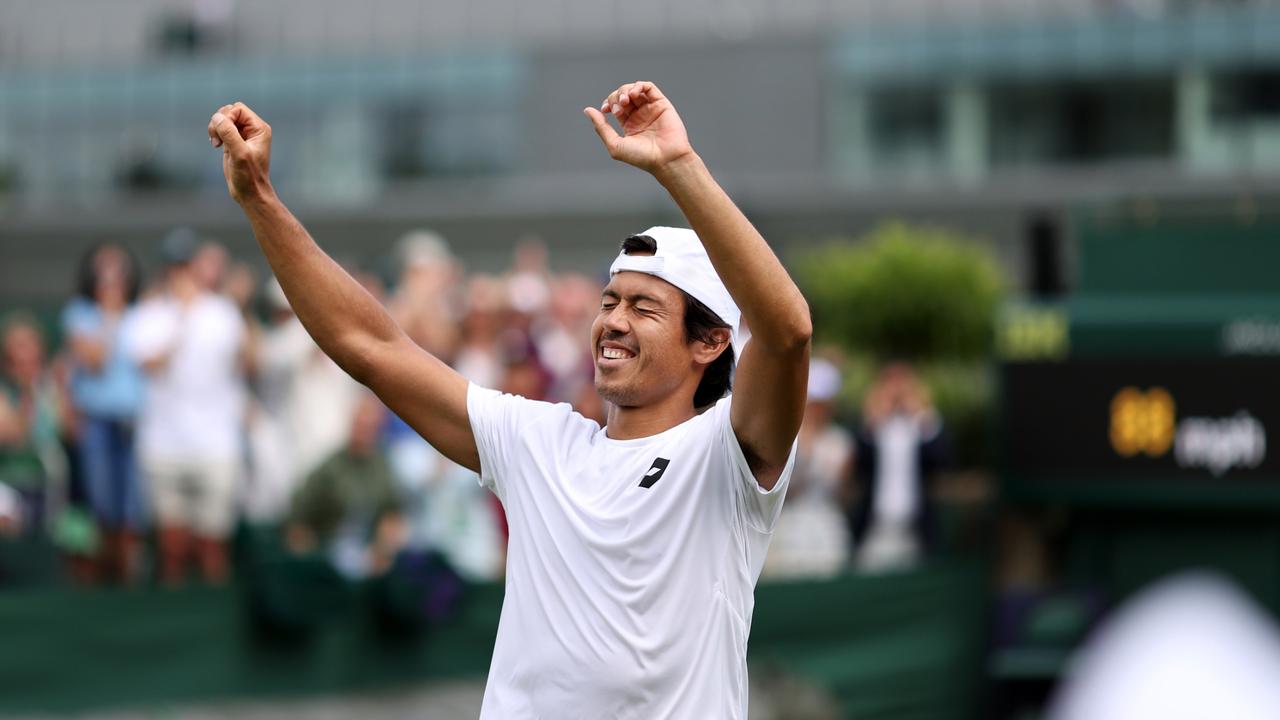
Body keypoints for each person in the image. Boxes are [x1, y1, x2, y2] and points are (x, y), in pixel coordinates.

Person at [208, 79, 811, 718]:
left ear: (711, 342)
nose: (612, 321)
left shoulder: (729, 452)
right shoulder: (538, 442)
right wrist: (260, 199)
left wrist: (677, 166)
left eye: (643, 307)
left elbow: (788, 331)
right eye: (609, 301)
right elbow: (370, 345)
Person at [125, 229, 247, 585]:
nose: (180, 274)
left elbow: (246, 362)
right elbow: (151, 365)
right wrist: (183, 317)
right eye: (174, 266)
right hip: (163, 446)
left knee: (213, 546)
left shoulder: (223, 312)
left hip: (216, 445)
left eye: (186, 266)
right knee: (172, 547)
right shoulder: (148, 315)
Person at [62, 243, 148, 583]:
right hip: (97, 421)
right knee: (99, 506)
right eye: (104, 270)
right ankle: (97, 583)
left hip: (136, 421)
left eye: (118, 270)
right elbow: (95, 361)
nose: (112, 278)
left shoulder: (143, 313)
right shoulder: (79, 313)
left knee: (131, 510)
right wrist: (111, 316)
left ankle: (126, 580)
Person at [285, 393, 405, 580]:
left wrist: (384, 547)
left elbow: (393, 514)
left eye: (369, 427)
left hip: (368, 556)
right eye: (359, 425)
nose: (362, 432)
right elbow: (298, 520)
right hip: (328, 556)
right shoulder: (330, 467)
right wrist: (310, 559)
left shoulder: (382, 467)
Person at [850, 360, 948, 572]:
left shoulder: (924, 426)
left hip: (916, 531)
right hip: (875, 530)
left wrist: (922, 416)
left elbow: (942, 461)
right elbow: (858, 463)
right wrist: (874, 418)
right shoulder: (872, 428)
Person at [762, 357, 853, 579]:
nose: (815, 410)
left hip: (826, 527)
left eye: (821, 404)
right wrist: (805, 452)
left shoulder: (840, 441)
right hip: (785, 527)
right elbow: (778, 489)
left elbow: (841, 493)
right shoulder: (783, 438)